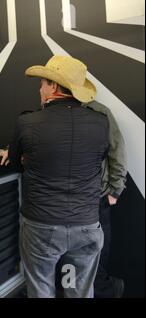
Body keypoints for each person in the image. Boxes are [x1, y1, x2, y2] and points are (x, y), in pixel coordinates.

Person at [2, 55, 109, 297]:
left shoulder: (27, 122)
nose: (40, 89)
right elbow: (95, 160)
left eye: (42, 83)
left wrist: (27, 159)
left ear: (53, 86)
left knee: (41, 288)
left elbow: (17, 166)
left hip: (42, 229)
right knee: (76, 289)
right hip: (85, 228)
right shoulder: (100, 123)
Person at [84, 100, 127, 298]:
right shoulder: (56, 112)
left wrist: (115, 190)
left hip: (97, 197)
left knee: (98, 256)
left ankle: (110, 290)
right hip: (70, 200)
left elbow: (116, 149)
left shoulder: (100, 111)